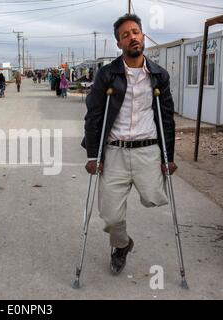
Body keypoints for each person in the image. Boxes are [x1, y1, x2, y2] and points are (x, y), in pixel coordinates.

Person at [81, 13, 176, 275]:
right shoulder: (106, 75)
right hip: (114, 152)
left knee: (155, 199)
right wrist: (93, 155)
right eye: (126, 35)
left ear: (143, 36)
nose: (132, 37)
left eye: (135, 32)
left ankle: (143, 193)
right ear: (119, 43)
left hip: (148, 150)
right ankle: (121, 245)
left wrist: (168, 157)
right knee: (110, 216)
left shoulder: (159, 75)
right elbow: (94, 115)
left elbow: (166, 116)